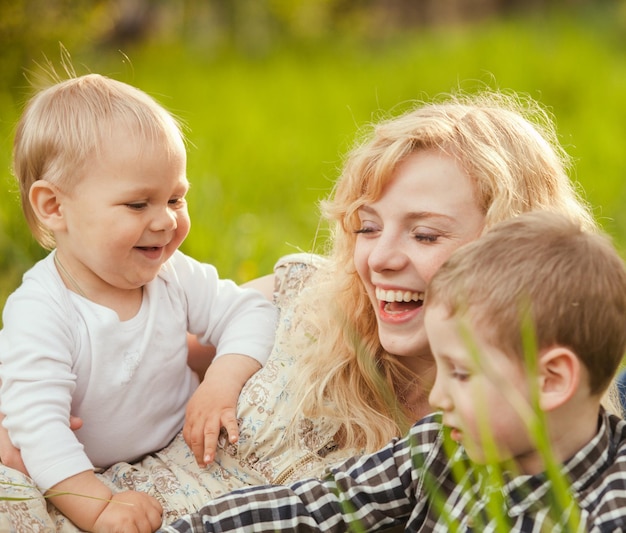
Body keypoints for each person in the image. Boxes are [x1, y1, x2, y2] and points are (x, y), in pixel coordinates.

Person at [0, 89, 602, 531]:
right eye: (367, 227)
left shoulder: (512, 427)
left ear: (514, 247)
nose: (380, 259)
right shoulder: (310, 298)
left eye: (425, 236)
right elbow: (129, 349)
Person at [159, 210, 626, 533]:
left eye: (461, 374)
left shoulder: (604, 513)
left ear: (551, 380)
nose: (438, 398)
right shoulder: (443, 443)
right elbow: (319, 507)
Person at [0, 73, 277, 532]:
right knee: (14, 452)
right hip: (80, 464)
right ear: (54, 207)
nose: (166, 220)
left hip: (168, 444)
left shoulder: (171, 273)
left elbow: (250, 310)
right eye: (137, 204)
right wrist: (99, 506)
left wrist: (220, 382)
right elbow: (42, 431)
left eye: (175, 197)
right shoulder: (43, 310)